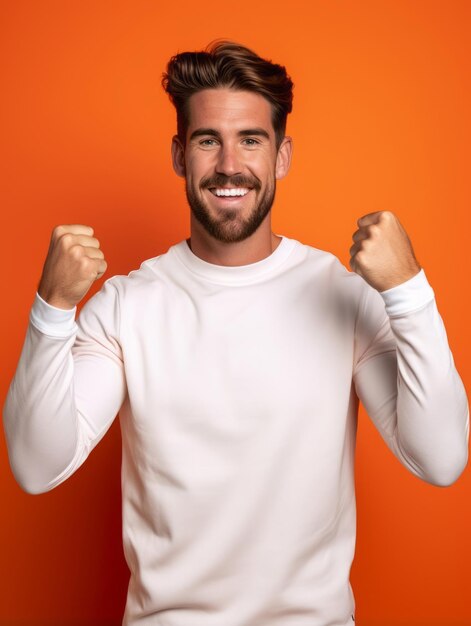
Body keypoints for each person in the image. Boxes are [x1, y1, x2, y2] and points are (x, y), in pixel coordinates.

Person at [3, 40, 469, 626]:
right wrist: (53, 307)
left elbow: (443, 458)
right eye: (207, 141)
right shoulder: (128, 307)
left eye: (251, 139)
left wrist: (408, 292)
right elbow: (35, 464)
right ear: (179, 155)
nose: (229, 165)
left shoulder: (342, 295)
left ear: (282, 156)